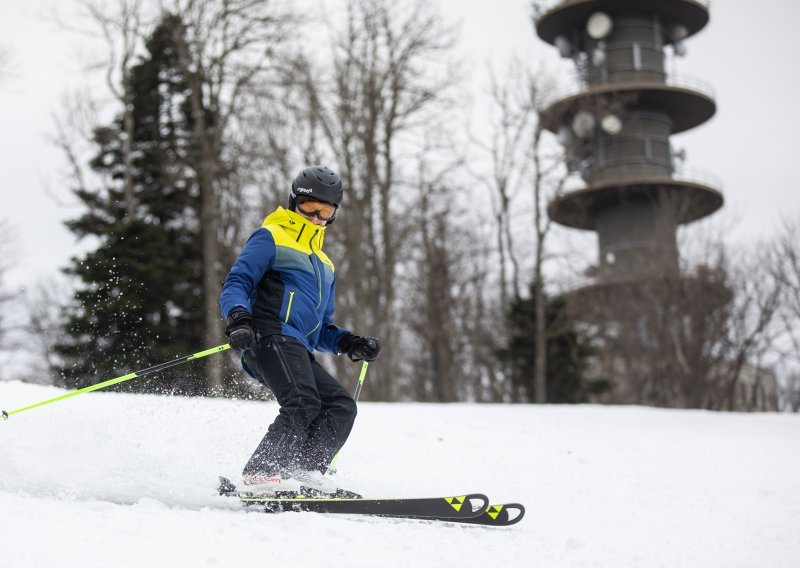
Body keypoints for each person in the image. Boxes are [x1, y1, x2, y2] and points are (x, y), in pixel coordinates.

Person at [219, 165, 381, 495]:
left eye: (327, 211)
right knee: (302, 400)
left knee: (340, 406)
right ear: (295, 202)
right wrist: (238, 319)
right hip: (267, 336)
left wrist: (348, 341)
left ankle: (305, 474)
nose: (317, 218)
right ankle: (260, 475)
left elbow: (320, 328)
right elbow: (238, 281)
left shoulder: (324, 264)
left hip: (296, 346)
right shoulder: (271, 236)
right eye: (311, 208)